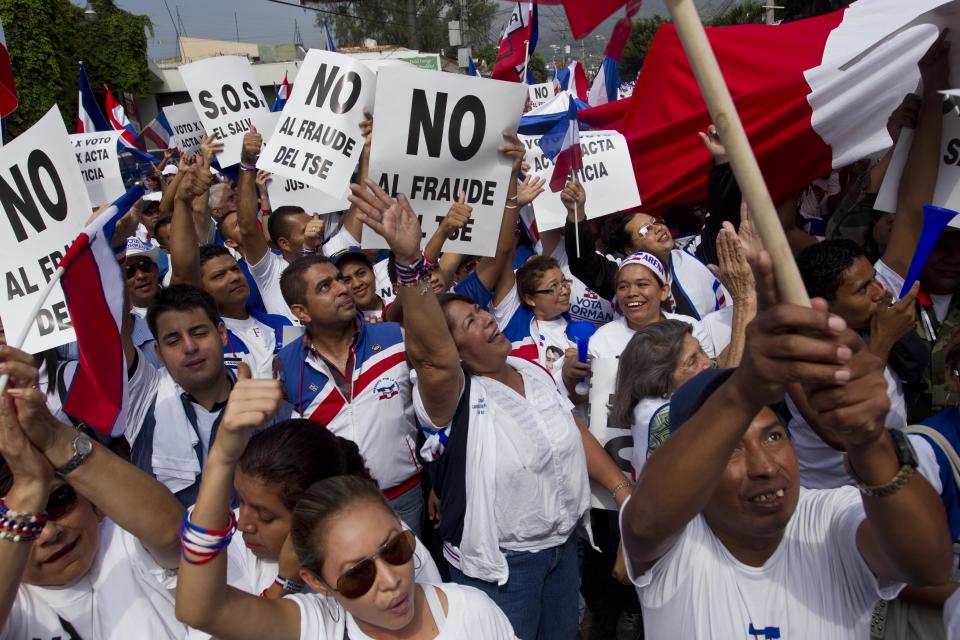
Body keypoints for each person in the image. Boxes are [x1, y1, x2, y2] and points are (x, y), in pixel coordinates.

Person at [348, 178, 630, 640]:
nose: (485, 319)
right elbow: (433, 356)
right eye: (467, 324)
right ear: (452, 350)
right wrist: (408, 263)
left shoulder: (532, 369)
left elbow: (572, 433)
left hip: (563, 551)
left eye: (481, 314)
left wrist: (621, 490)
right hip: (505, 568)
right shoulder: (450, 397)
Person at [619, 253, 953, 638]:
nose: (764, 467)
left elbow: (928, 565)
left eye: (774, 436)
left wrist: (870, 439)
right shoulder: (674, 547)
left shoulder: (831, 520)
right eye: (731, 449)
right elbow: (646, 520)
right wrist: (746, 387)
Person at [174, 374, 518, 640]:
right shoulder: (319, 626)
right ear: (317, 582)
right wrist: (220, 457)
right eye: (357, 575)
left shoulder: (472, 612)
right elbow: (200, 608)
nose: (390, 581)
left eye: (397, 549)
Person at [0, 346, 184, 639]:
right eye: (27, 521)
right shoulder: (16, 604)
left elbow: (177, 535)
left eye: (60, 501)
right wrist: (28, 487)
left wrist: (53, 436)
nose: (49, 533)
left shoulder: (127, 537)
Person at [275, 254, 424, 535]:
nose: (343, 288)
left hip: (405, 497)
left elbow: (431, 414)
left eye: (340, 280)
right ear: (301, 312)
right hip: (337, 508)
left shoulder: (394, 337)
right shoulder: (285, 366)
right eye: (324, 287)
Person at [124, 284, 289, 506]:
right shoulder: (145, 399)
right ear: (158, 353)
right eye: (173, 341)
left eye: (199, 333)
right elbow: (111, 322)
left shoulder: (272, 411)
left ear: (221, 333)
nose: (190, 347)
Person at [791, 239, 919, 488]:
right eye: (863, 289)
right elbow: (837, 434)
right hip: (832, 494)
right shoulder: (799, 351)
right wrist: (883, 340)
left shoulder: (872, 316)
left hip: (891, 475)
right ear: (824, 307)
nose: (879, 292)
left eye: (874, 279)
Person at [168, 161, 290, 379]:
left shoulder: (281, 324)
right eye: (219, 276)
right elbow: (182, 270)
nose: (233, 277)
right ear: (201, 288)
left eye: (234, 269)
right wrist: (181, 201)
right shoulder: (203, 341)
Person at [563, 177, 726, 321]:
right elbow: (582, 262)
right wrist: (575, 213)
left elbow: (720, 217)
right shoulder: (621, 276)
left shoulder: (694, 254)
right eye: (645, 230)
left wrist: (722, 163)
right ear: (629, 249)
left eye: (656, 221)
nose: (658, 228)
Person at [608, 319, 713, 479]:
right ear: (660, 377)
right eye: (692, 361)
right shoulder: (665, 415)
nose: (707, 363)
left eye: (702, 350)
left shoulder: (660, 398)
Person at [587, 251, 716, 361]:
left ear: (664, 291)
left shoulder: (690, 328)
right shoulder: (602, 339)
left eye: (642, 284)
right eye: (623, 287)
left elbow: (708, 378)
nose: (631, 293)